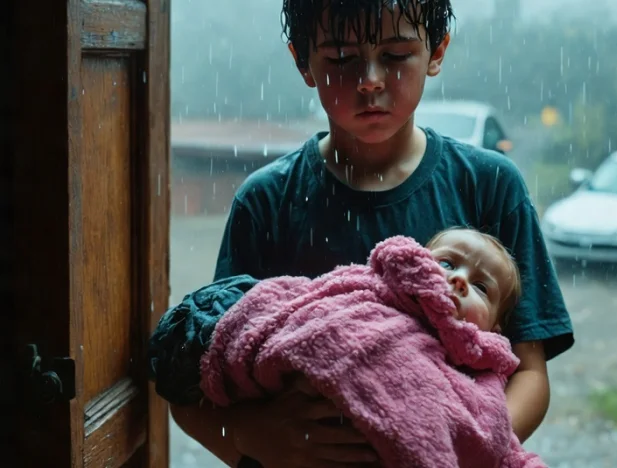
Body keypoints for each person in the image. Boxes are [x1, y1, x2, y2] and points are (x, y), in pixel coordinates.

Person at [150, 1, 574, 466]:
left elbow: (530, 374)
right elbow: (198, 380)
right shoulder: (267, 201)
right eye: (340, 58)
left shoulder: (490, 185)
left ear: (436, 52)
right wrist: (255, 437)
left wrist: (445, 443)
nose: (370, 79)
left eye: (395, 56)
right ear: (302, 61)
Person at [192, 229, 545, 467]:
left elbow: (496, 439)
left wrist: (447, 439)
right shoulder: (364, 294)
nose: (459, 280)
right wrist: (241, 435)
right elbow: (191, 373)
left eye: (482, 287)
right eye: (447, 263)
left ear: (493, 329)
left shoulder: (481, 373)